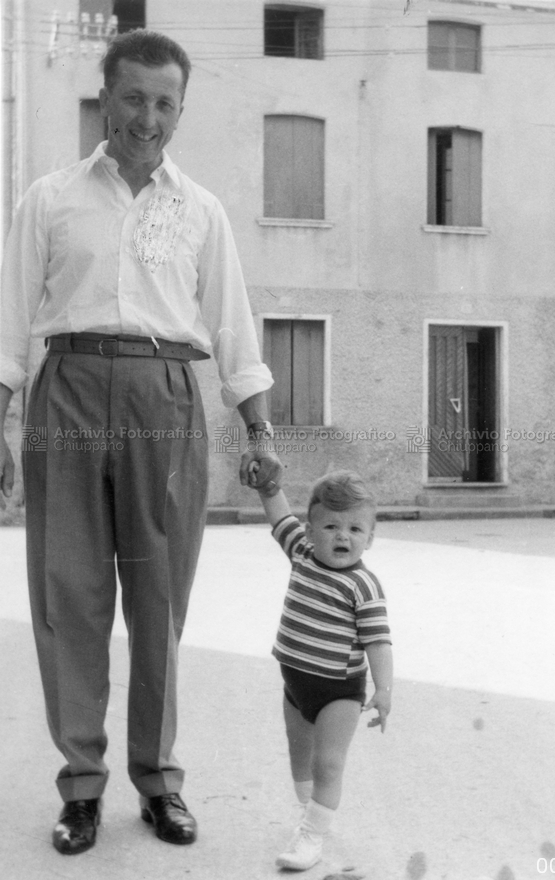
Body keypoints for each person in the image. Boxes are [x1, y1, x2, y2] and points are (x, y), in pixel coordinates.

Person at [0, 29, 281, 856]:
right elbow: (12, 324)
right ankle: (82, 787)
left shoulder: (202, 211)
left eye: (165, 103)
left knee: (160, 600)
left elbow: (233, 329)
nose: (147, 117)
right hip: (70, 392)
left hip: (166, 395)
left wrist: (259, 432)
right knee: (70, 596)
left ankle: (157, 781)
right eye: (133, 98)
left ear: (180, 110)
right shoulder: (49, 199)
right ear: (105, 98)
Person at [250, 468, 393, 871]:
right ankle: (309, 816)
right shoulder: (300, 553)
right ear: (310, 531)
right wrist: (268, 486)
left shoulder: (364, 586)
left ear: (370, 537)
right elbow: (279, 515)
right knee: (300, 759)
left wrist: (383, 690)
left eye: (355, 528)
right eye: (330, 525)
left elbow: (378, 642)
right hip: (294, 685)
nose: (342, 536)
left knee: (327, 763)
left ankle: (312, 838)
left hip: (339, 691)